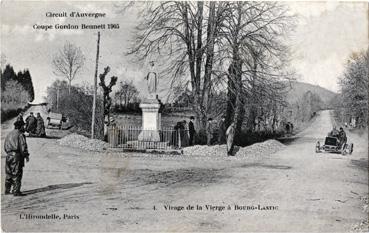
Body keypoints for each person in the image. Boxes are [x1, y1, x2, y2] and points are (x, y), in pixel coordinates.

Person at [4, 120, 30, 196]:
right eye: (23, 126)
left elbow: (5, 146)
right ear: (20, 126)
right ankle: (16, 191)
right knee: (17, 173)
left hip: (8, 155)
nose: (24, 127)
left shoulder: (9, 134)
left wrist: (9, 153)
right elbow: (23, 147)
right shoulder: (20, 134)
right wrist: (26, 155)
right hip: (17, 156)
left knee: (9, 173)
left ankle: (7, 190)